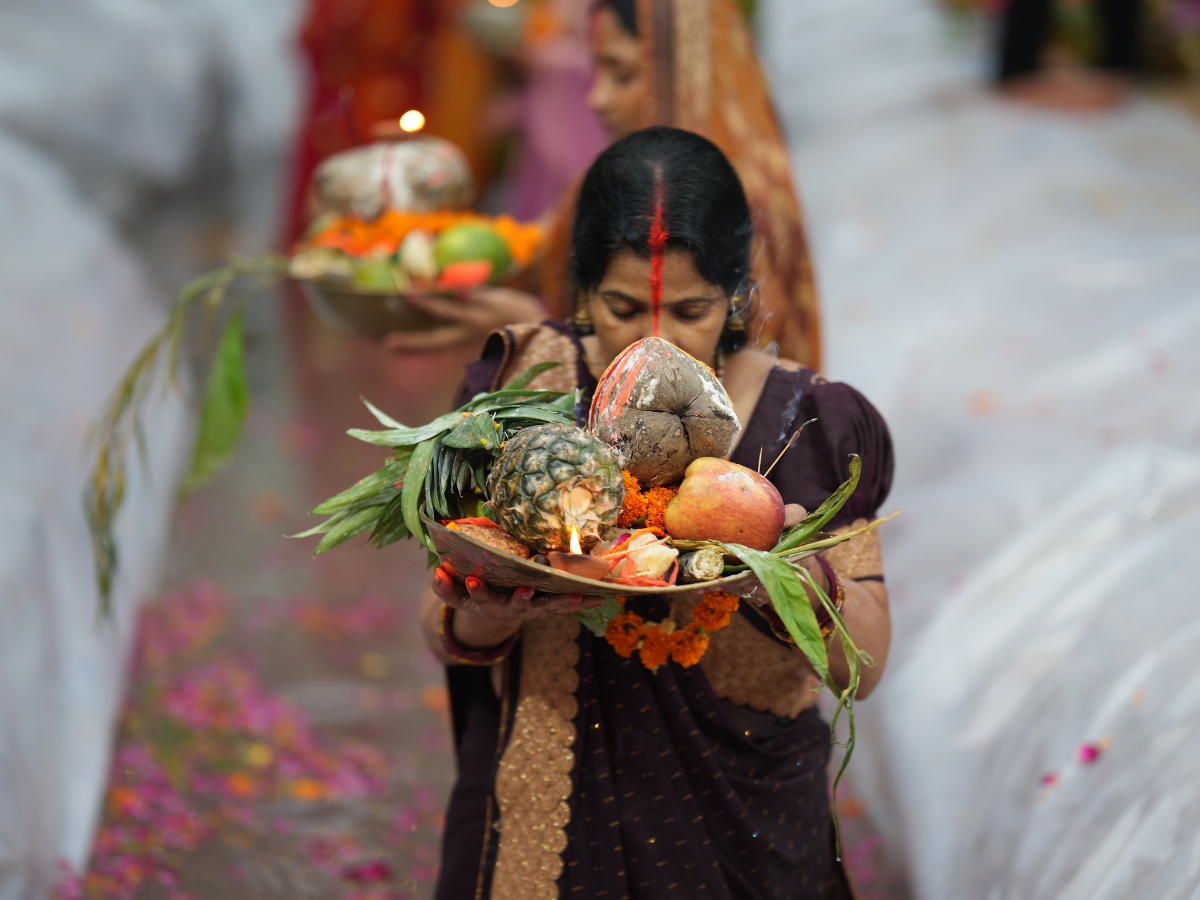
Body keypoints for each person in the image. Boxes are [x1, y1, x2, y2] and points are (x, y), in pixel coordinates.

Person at [418, 127, 893, 900]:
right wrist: (491, 613)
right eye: (622, 307)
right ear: (581, 293)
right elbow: (440, 623)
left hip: (744, 822)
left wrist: (797, 581)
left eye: (694, 311)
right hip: (552, 817)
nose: (654, 343)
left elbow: (865, 665)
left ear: (737, 297)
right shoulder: (525, 393)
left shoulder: (810, 421)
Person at [388, 0, 822, 373]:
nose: (596, 99)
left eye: (623, 75)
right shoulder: (610, 183)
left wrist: (548, 344)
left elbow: (741, 393)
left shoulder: (748, 203)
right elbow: (520, 258)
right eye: (596, 71)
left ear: (690, 77)